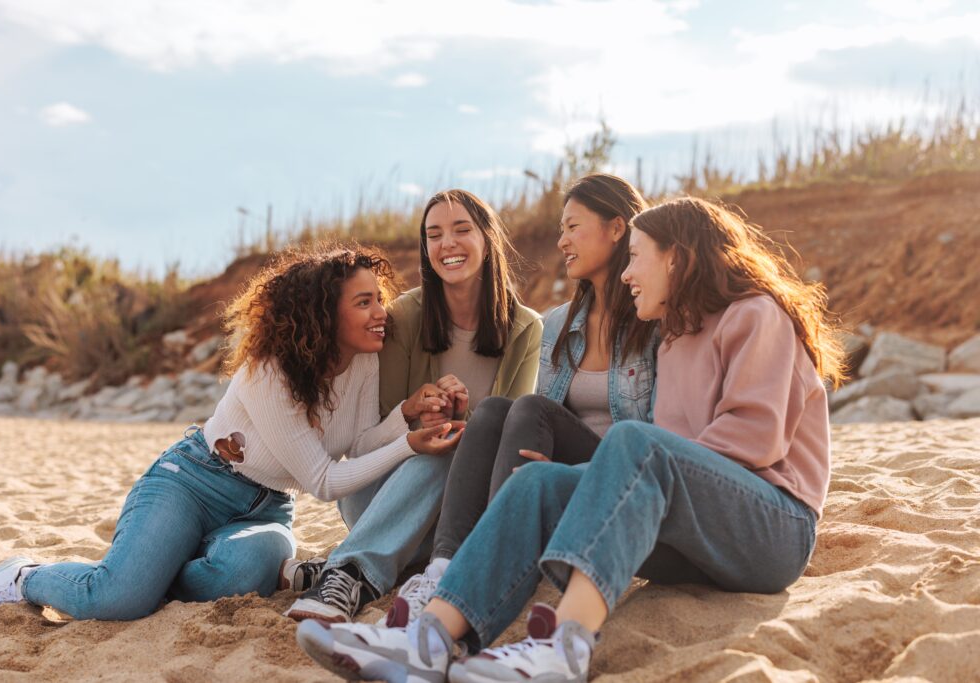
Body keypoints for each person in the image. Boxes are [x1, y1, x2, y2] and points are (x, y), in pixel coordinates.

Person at [296, 197, 845, 683]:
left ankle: (563, 647)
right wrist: (590, 479)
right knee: (536, 480)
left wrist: (609, 474)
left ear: (676, 257)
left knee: (634, 444)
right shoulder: (677, 338)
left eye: (636, 256)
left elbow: (753, 440)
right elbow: (666, 464)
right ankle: (429, 639)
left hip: (772, 530)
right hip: (695, 535)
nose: (628, 274)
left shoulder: (756, 315)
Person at [0, 245, 461, 621]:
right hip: (194, 481)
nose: (380, 314)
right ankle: (25, 576)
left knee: (248, 573)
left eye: (379, 300)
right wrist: (408, 444)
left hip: (267, 503)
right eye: (365, 303)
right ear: (326, 313)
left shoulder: (361, 362)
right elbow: (324, 482)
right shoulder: (272, 370)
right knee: (117, 599)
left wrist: (405, 416)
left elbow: (353, 445)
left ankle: (156, 568)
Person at [379, 173, 659, 630]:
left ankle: (483, 570)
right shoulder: (558, 325)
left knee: (525, 407)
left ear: (616, 228)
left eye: (573, 227)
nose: (561, 240)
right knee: (492, 410)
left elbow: (659, 435)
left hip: (620, 477)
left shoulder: (655, 320)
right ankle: (443, 569)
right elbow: (543, 421)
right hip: (562, 478)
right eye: (560, 228)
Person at [282, 190, 543, 623]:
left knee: (452, 442)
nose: (447, 245)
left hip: (460, 513)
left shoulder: (525, 329)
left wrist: (461, 420)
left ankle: (343, 571)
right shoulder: (404, 317)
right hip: (379, 496)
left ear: (487, 238)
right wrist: (411, 413)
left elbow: (508, 438)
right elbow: (366, 445)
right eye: (434, 234)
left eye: (461, 230)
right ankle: (356, 567)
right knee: (438, 443)